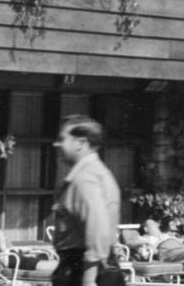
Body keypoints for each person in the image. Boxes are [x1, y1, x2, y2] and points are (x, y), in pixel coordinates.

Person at [51, 115, 122, 286]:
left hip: (83, 271)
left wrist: (89, 280)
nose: (56, 144)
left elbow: (96, 228)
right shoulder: (97, 172)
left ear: (80, 143)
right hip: (93, 268)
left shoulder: (84, 179)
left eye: (62, 139)